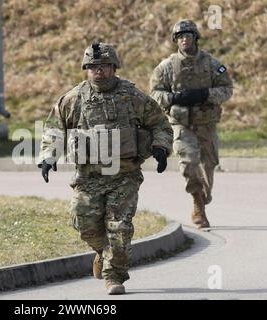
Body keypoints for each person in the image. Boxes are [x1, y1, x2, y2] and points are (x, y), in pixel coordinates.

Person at [38, 42, 173, 295]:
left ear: (113, 67)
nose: (98, 72)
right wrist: (48, 156)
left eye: (104, 67)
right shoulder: (74, 99)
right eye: (93, 67)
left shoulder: (132, 96)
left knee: (119, 228)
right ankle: (104, 253)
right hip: (88, 177)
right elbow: (54, 128)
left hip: (124, 176)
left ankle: (114, 276)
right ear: (86, 69)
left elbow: (160, 124)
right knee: (82, 222)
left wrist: (161, 147)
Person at [150, 19, 233, 229]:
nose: (184, 40)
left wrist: (205, 94)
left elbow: (227, 89)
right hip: (181, 123)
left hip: (206, 123)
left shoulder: (213, 64)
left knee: (209, 165)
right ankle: (197, 202)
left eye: (188, 36)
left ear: (195, 38)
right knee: (188, 162)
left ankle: (204, 194)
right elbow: (155, 93)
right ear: (175, 40)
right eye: (180, 37)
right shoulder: (166, 67)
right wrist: (174, 98)